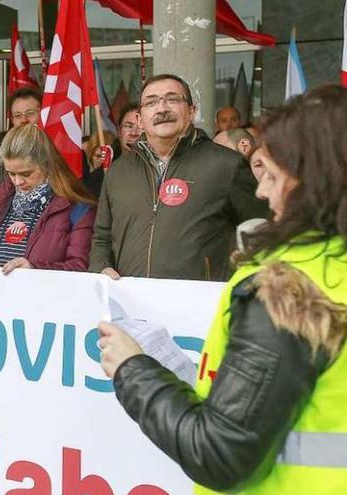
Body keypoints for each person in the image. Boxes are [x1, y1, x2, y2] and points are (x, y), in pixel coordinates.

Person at [97, 85, 347, 495]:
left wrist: (132, 369)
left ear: (313, 176)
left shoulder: (287, 290)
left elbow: (218, 453)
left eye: (272, 174)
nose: (263, 192)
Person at [89, 74, 267, 281]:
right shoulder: (119, 172)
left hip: (201, 306)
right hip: (132, 305)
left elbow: (263, 230)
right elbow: (101, 238)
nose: (162, 108)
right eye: (151, 102)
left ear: (192, 111)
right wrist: (101, 268)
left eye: (173, 99)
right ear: (139, 119)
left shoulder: (227, 165)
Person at [0, 124, 96, 273]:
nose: (17, 182)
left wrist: (34, 270)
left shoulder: (77, 210)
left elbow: (79, 266)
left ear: (47, 165)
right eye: (11, 173)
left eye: (26, 174)